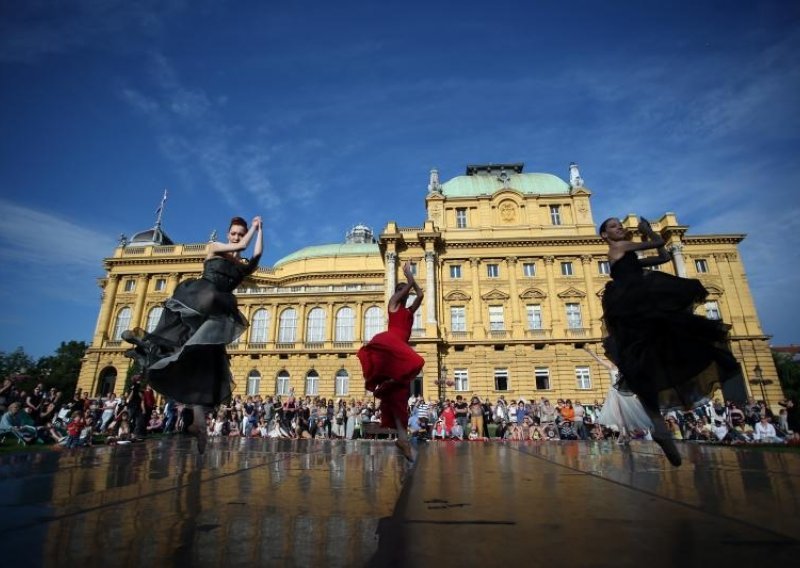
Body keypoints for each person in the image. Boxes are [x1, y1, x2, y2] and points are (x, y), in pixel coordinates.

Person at [599, 216, 741, 466]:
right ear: (604, 236)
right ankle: (664, 421)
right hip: (635, 305)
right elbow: (654, 244)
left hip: (634, 304)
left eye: (620, 225)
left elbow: (664, 258)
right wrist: (647, 231)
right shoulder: (620, 247)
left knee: (642, 367)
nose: (619, 227)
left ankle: (659, 427)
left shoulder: (626, 253)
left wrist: (661, 245)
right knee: (666, 345)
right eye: (613, 226)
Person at [122, 215, 263, 453]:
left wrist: (261, 230)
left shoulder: (241, 265)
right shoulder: (215, 247)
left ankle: (198, 426)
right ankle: (146, 342)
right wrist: (252, 230)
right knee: (178, 329)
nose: (237, 237)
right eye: (234, 233)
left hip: (214, 313)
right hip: (200, 297)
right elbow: (242, 246)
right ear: (229, 234)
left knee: (204, 370)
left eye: (241, 232)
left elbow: (256, 256)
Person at [357, 261, 424, 461]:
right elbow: (410, 289)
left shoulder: (409, 312)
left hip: (399, 348)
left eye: (405, 290)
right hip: (390, 342)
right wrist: (408, 276)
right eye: (401, 290)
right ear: (397, 293)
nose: (405, 292)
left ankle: (402, 439)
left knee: (398, 399)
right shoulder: (393, 305)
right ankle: (386, 385)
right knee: (417, 361)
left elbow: (419, 296)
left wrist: (412, 282)